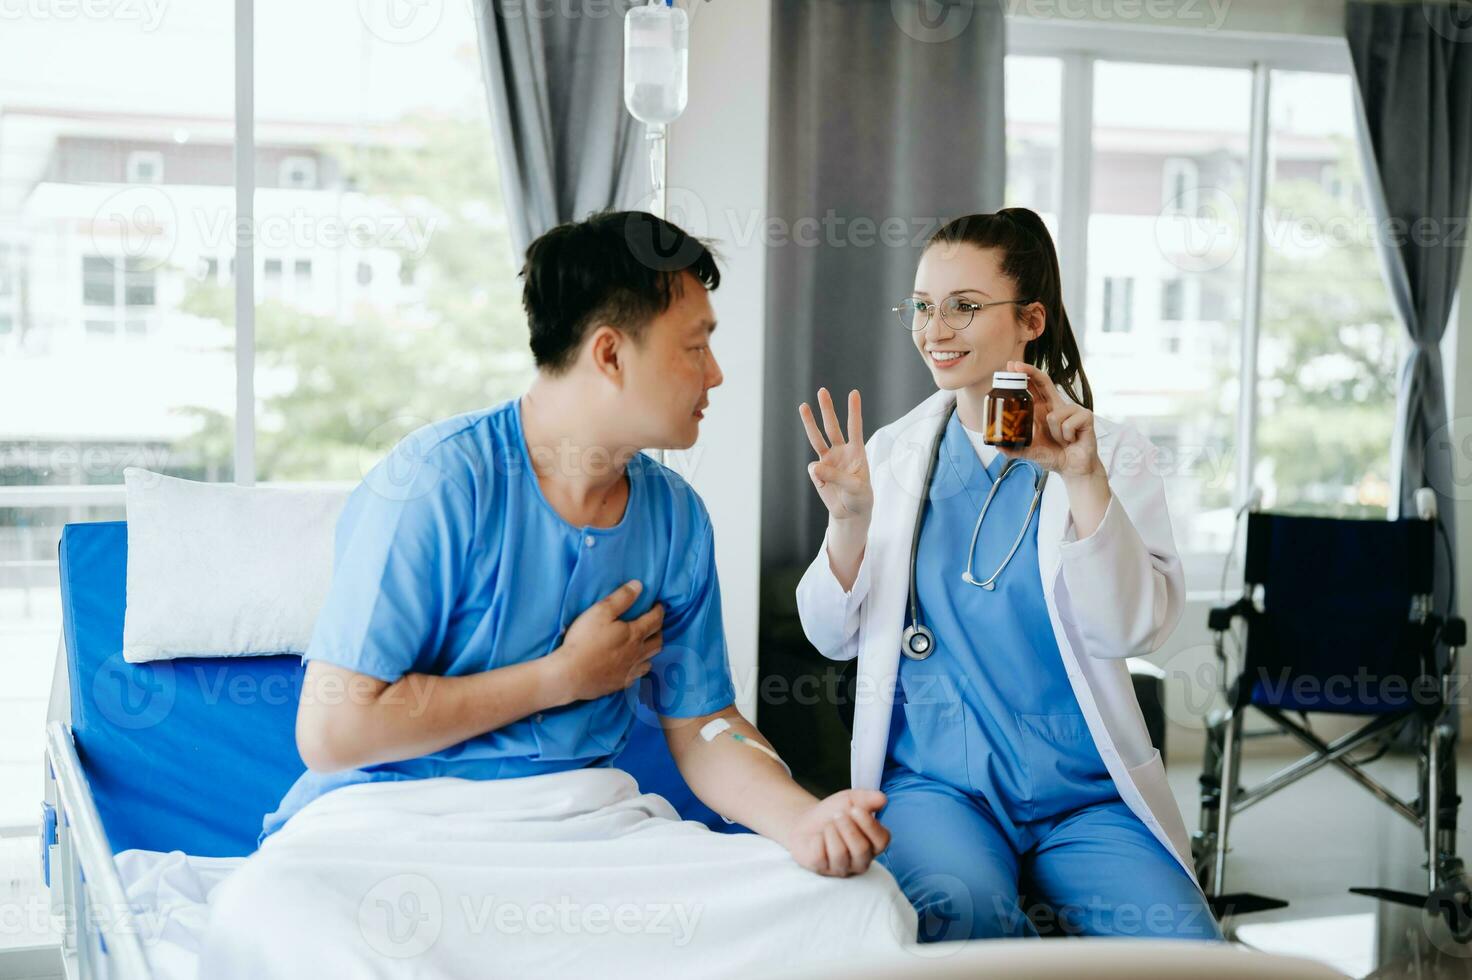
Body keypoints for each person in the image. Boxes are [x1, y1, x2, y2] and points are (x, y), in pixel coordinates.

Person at [272, 210, 890, 876]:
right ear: (610, 354)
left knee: (842, 907)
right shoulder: (436, 483)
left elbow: (705, 724)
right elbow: (333, 733)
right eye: (693, 345)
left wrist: (803, 820)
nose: (714, 374)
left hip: (579, 828)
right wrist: (559, 679)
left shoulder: (675, 515)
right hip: (394, 820)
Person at [794, 207, 1222, 940]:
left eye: (964, 307)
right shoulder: (892, 458)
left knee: (1184, 951)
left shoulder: (1110, 453)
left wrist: (1085, 482)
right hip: (939, 791)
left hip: (1085, 797)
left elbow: (1135, 628)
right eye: (923, 308)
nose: (935, 330)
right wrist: (850, 521)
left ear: (1031, 320)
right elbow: (831, 636)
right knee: (960, 922)